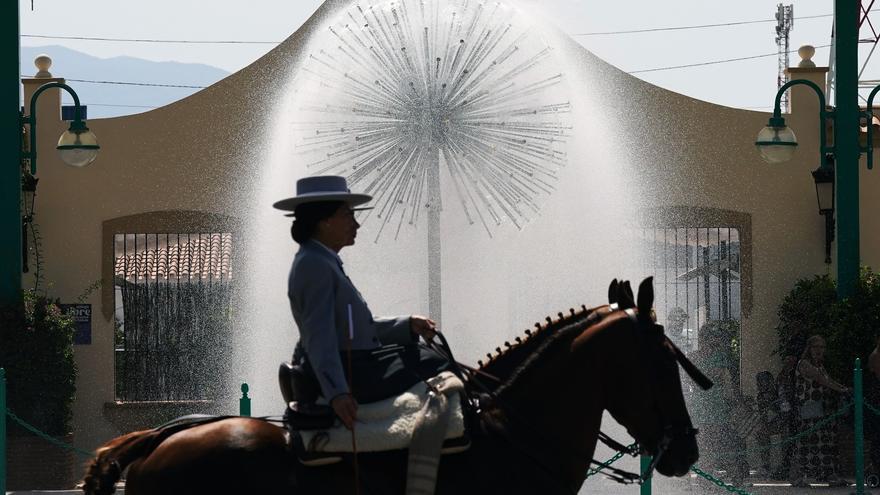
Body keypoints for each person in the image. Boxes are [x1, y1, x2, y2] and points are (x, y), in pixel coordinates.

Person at [274, 175, 449, 430]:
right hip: (352, 373)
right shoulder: (314, 265)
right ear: (324, 222)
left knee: (429, 356)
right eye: (348, 216)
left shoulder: (322, 260)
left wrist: (407, 325)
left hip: (356, 366)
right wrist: (337, 393)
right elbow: (319, 336)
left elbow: (353, 328)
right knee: (436, 363)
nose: (356, 224)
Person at [789, 335, 850, 487]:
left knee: (825, 443)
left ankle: (830, 475)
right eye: (816, 347)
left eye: (822, 347)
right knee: (806, 443)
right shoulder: (804, 364)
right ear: (809, 348)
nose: (819, 350)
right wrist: (842, 389)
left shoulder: (820, 365)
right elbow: (821, 380)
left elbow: (828, 379)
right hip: (808, 409)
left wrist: (845, 388)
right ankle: (797, 477)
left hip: (822, 410)